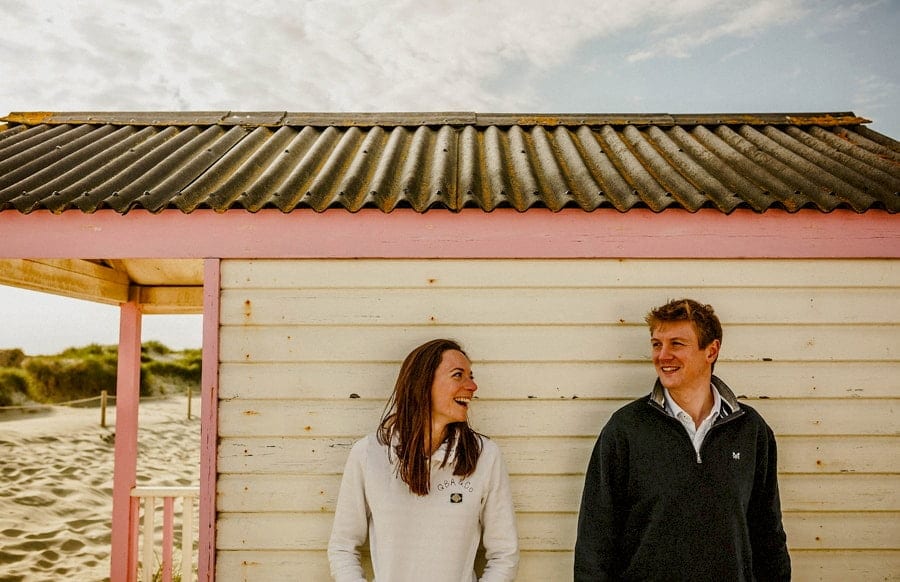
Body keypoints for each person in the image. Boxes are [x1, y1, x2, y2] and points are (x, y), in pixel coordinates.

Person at [575, 299, 791, 581]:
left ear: (711, 350)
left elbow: (768, 538)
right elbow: (595, 541)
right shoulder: (626, 429)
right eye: (656, 344)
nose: (663, 355)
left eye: (676, 344)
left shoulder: (751, 431)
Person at [328, 338, 519, 582]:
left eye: (471, 376)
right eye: (458, 375)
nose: (472, 386)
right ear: (423, 383)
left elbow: (505, 554)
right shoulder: (369, 454)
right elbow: (343, 547)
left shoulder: (484, 456)